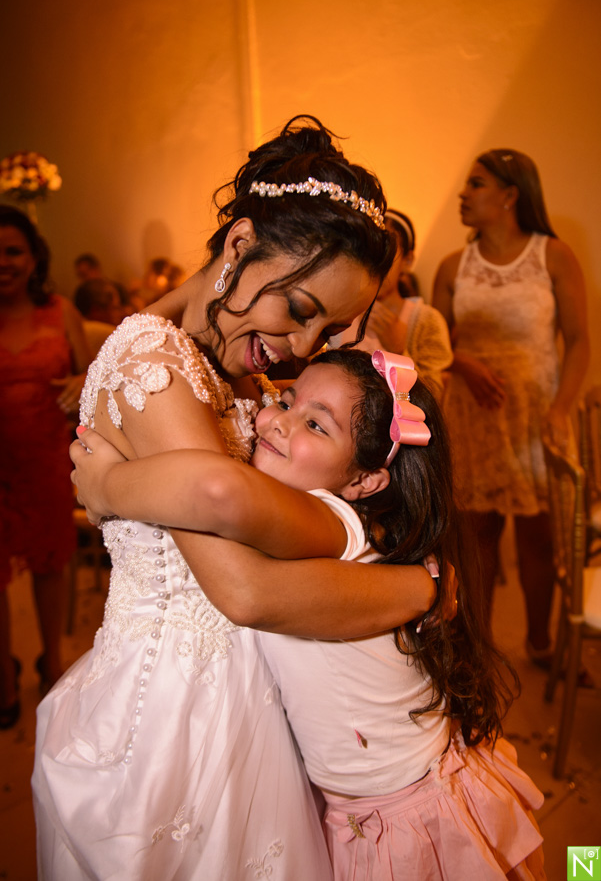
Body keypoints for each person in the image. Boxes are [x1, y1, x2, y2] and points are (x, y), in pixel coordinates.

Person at [32, 116, 438, 880]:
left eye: (326, 330)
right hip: (171, 723)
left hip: (252, 706)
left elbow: (287, 524)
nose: (302, 346)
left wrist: (411, 579)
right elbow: (239, 580)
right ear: (240, 244)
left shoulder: (240, 373)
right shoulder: (152, 362)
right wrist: (415, 583)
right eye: (302, 310)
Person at [70, 348, 546, 880]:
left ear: (363, 482)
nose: (277, 423)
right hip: (376, 806)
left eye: (316, 425)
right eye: (288, 401)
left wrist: (109, 486)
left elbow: (220, 497)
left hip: (410, 813)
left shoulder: (336, 522)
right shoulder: (329, 520)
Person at [432, 148, 590, 666]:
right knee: (476, 538)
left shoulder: (554, 255)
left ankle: (540, 645)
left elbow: (580, 340)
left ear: (510, 195)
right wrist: (464, 364)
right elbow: (435, 343)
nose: (463, 193)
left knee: (538, 542)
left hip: (537, 414)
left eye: (476, 184)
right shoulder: (454, 267)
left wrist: (562, 408)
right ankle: (477, 645)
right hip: (473, 417)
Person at [0, 206, 91, 728]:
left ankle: (53, 664)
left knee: (49, 565)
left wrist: (81, 382)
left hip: (45, 458)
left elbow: (94, 375)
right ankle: (3, 676)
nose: (4, 262)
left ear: (33, 257)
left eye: (13, 250)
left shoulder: (61, 312)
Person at [332, 210, 452, 400]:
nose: (374, 267)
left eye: (386, 256)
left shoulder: (426, 320)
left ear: (408, 261)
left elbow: (433, 398)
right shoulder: (339, 310)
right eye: (366, 254)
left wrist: (398, 351)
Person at [73, 277, 126, 357]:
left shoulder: (73, 331)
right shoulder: (109, 335)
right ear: (96, 311)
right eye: (115, 308)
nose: (121, 313)